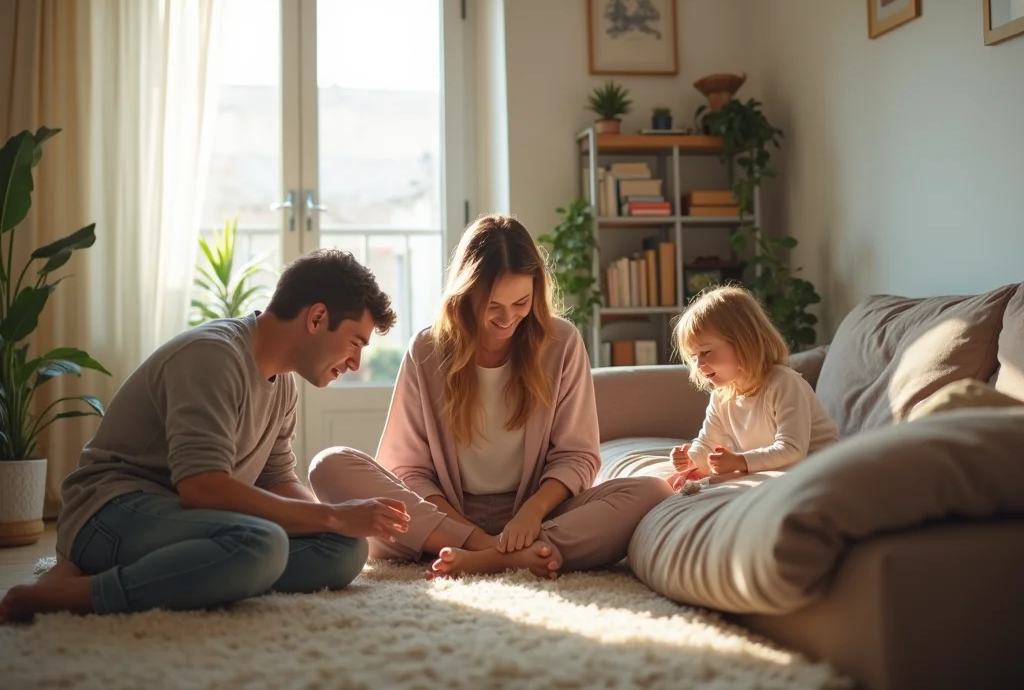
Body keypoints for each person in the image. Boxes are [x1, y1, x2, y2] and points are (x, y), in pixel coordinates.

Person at [0, 250, 411, 623]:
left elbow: (277, 481)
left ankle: (186, 575)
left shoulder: (284, 384)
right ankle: (79, 593)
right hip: (110, 513)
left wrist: (336, 526)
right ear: (317, 317)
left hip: (185, 523)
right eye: (355, 343)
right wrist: (333, 514)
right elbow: (202, 487)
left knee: (344, 550)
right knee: (261, 545)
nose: (356, 363)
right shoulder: (212, 357)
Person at [309, 214, 673, 580]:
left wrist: (530, 515)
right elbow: (407, 469)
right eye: (493, 306)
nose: (508, 319)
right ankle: (502, 554)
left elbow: (577, 456)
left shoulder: (561, 343)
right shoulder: (426, 349)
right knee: (329, 464)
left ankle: (494, 556)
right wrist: (469, 533)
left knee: (653, 490)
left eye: (521, 303)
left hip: (536, 516)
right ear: (465, 296)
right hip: (442, 516)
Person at [668, 285, 839, 489]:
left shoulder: (784, 384)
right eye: (694, 357)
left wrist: (739, 462)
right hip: (776, 474)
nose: (698, 364)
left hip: (819, 474)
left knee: (719, 483)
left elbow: (792, 450)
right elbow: (707, 443)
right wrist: (690, 459)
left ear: (743, 342)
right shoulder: (722, 396)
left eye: (705, 352)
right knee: (702, 482)